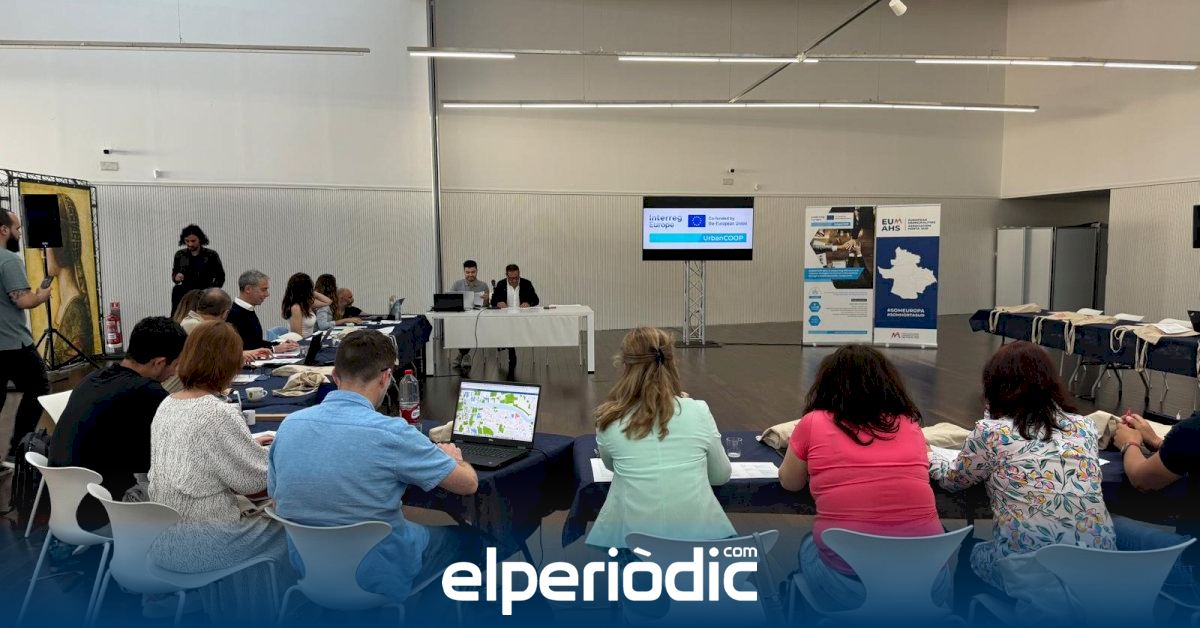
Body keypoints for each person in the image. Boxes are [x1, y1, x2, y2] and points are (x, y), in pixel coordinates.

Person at [268, 329, 482, 606]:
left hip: (308, 572)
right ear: (385, 378)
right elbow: (468, 484)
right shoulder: (393, 433)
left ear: (334, 376)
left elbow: (276, 498)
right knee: (469, 540)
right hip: (380, 575)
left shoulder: (289, 426)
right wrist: (454, 459)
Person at [931, 341, 1115, 619]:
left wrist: (930, 456)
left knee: (972, 549)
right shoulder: (1085, 427)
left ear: (995, 386)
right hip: (1098, 572)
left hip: (1033, 574)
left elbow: (952, 479)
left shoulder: (991, 432)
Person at [778, 344, 947, 611]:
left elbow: (790, 482)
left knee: (809, 545)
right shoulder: (910, 425)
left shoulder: (813, 422)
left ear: (827, 384)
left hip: (850, 588)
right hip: (928, 585)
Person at [148, 321, 287, 620]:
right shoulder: (216, 413)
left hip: (164, 538)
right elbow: (258, 485)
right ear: (230, 364)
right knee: (289, 525)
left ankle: (225, 605)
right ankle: (258, 615)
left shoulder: (167, 404)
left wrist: (246, 449)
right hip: (203, 544)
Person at [587, 327, 733, 548]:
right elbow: (720, 475)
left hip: (631, 548)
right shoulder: (698, 411)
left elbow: (610, 465)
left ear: (625, 366)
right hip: (701, 546)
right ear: (672, 363)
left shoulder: (608, 419)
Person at [48, 316, 187, 530]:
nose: (175, 372)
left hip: (63, 506)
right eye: (175, 365)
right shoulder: (148, 393)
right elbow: (165, 461)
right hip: (104, 511)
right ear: (159, 363)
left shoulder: (94, 378)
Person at [0, 210, 52, 461]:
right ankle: (18, 451)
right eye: (17, 228)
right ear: (4, 230)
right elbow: (22, 300)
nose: (20, 233)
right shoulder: (8, 260)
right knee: (39, 387)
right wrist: (41, 296)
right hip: (12, 343)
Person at [46, 193, 96, 360]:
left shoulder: (75, 309)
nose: (43, 256)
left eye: (46, 249)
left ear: (58, 251)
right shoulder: (69, 302)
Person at [181, 288, 271, 364]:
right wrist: (239, 356)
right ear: (226, 313)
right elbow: (213, 360)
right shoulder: (202, 328)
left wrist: (248, 353)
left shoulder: (190, 322)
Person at [227, 270, 299, 354]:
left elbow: (256, 342)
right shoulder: (233, 314)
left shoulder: (247, 310)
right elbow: (241, 349)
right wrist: (273, 349)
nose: (267, 294)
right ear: (248, 289)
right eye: (263, 290)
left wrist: (280, 344)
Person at [490, 264, 539, 372]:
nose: (514, 280)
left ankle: (509, 349)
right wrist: (498, 303)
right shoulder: (501, 284)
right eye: (511, 278)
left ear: (519, 274)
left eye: (516, 278)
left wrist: (528, 303)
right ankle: (511, 351)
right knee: (507, 329)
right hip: (506, 319)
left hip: (522, 318)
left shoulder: (526, 283)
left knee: (511, 331)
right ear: (506, 275)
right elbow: (493, 301)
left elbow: (536, 300)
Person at [170, 225, 224, 315]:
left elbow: (220, 277)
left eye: (193, 241)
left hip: (204, 290)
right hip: (185, 291)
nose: (190, 244)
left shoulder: (211, 255)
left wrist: (211, 290)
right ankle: (175, 318)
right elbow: (175, 273)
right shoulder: (180, 255)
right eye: (187, 241)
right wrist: (176, 277)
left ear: (200, 240)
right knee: (177, 290)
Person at [450, 260, 490, 368]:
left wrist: (487, 299)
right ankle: (465, 355)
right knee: (461, 327)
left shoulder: (483, 285)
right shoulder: (457, 284)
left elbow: (486, 306)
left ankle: (462, 354)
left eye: (473, 272)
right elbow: (451, 301)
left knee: (469, 328)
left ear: (477, 271)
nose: (470, 275)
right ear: (464, 272)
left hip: (477, 319)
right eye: (467, 272)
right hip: (461, 318)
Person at [280, 272, 331, 337]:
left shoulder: (306, 303)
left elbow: (328, 302)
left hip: (309, 339)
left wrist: (313, 292)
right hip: (301, 341)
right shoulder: (296, 307)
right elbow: (297, 335)